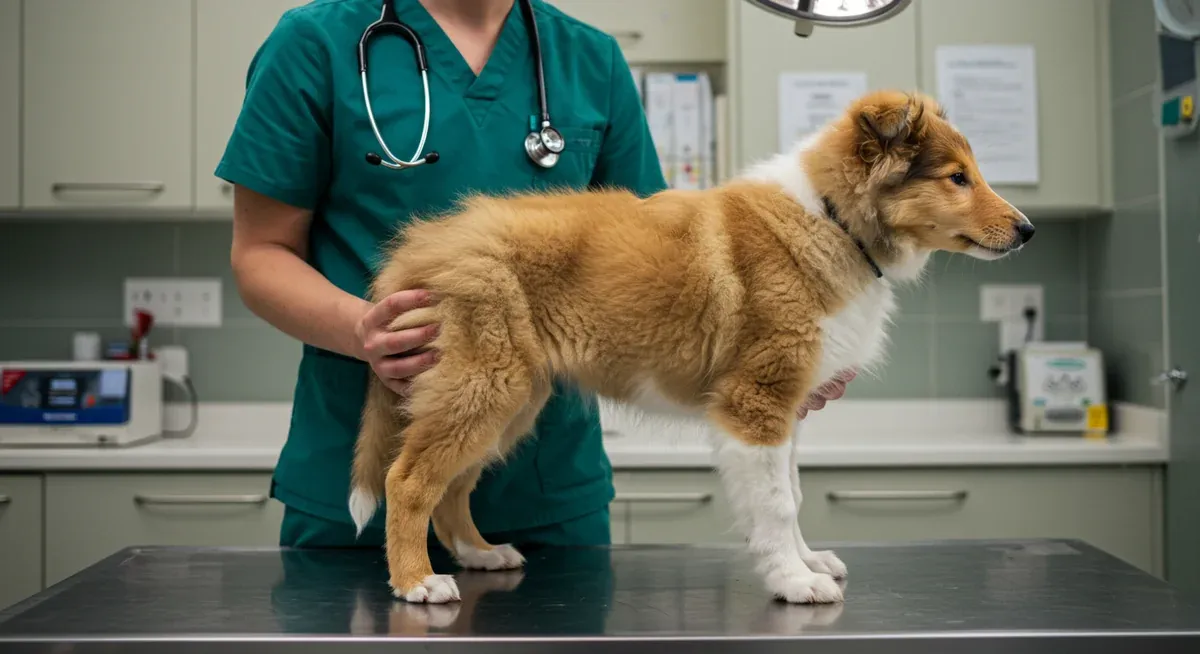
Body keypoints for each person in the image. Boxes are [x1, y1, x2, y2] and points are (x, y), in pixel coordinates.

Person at [223, 0, 855, 551]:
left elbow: (661, 261)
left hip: (547, 493)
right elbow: (261, 253)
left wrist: (769, 360)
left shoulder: (588, 58)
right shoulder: (316, 43)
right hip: (355, 471)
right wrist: (362, 329)